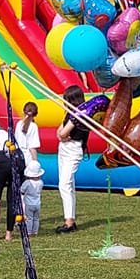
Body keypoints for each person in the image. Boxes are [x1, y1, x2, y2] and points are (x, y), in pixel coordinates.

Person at [55, 82, 86, 232]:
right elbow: (59, 132)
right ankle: (70, 219)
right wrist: (63, 136)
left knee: (65, 184)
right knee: (68, 185)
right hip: (64, 148)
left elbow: (62, 133)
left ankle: (69, 221)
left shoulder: (80, 115)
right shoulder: (70, 114)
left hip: (73, 149)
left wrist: (63, 135)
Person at [15, 99, 44, 235]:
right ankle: (27, 219)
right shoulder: (33, 127)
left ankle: (18, 216)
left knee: (20, 189)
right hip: (27, 159)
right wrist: (36, 163)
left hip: (17, 157)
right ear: (35, 114)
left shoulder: (18, 124)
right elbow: (33, 147)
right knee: (30, 188)